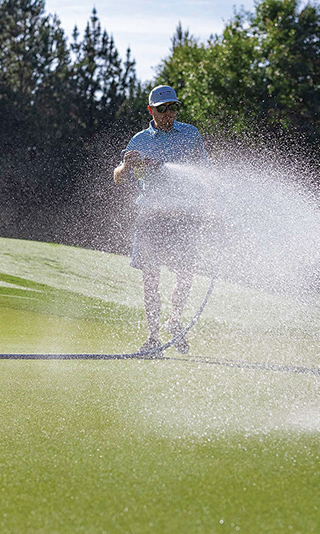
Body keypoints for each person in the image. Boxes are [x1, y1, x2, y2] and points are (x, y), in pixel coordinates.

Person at [113, 85, 210, 354]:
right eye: (163, 109)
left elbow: (204, 172)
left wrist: (210, 204)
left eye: (173, 107)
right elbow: (119, 178)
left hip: (183, 214)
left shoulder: (190, 134)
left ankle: (174, 321)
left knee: (185, 273)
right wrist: (125, 166)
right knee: (151, 278)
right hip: (151, 216)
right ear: (151, 111)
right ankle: (153, 338)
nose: (169, 113)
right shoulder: (139, 140)